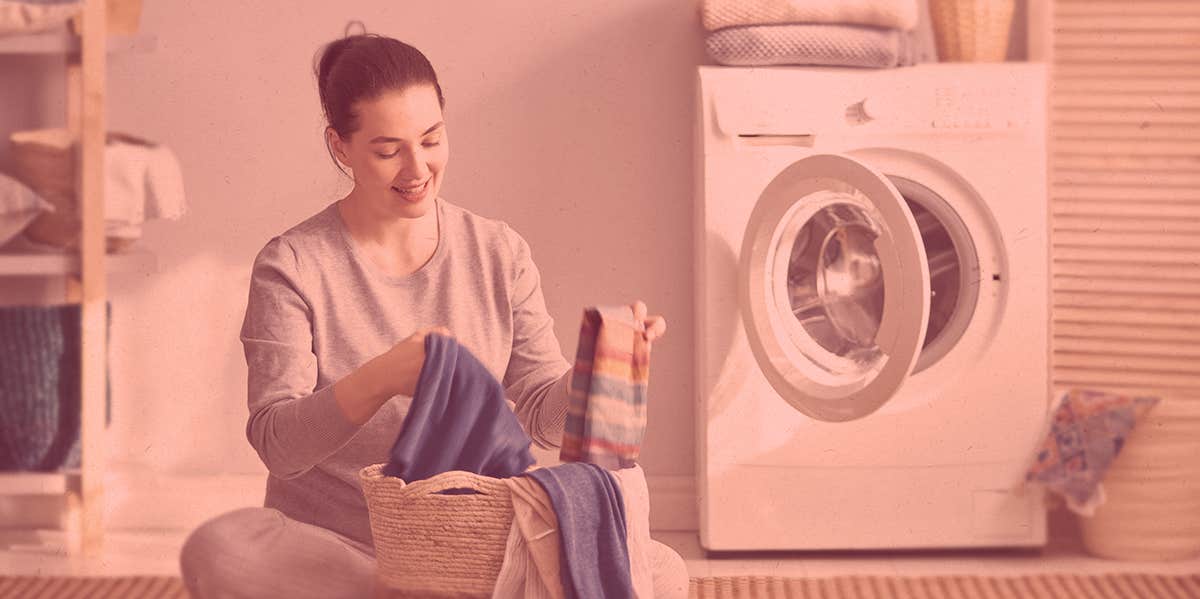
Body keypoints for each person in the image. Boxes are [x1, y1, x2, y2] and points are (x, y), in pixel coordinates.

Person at [178, 32, 689, 598]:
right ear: (341, 147)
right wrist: (384, 377)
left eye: (432, 139)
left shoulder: (499, 251)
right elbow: (278, 445)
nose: (417, 167)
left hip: (474, 548)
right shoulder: (293, 265)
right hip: (342, 549)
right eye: (387, 149)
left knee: (662, 569)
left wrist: (599, 369)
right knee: (221, 548)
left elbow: (542, 416)